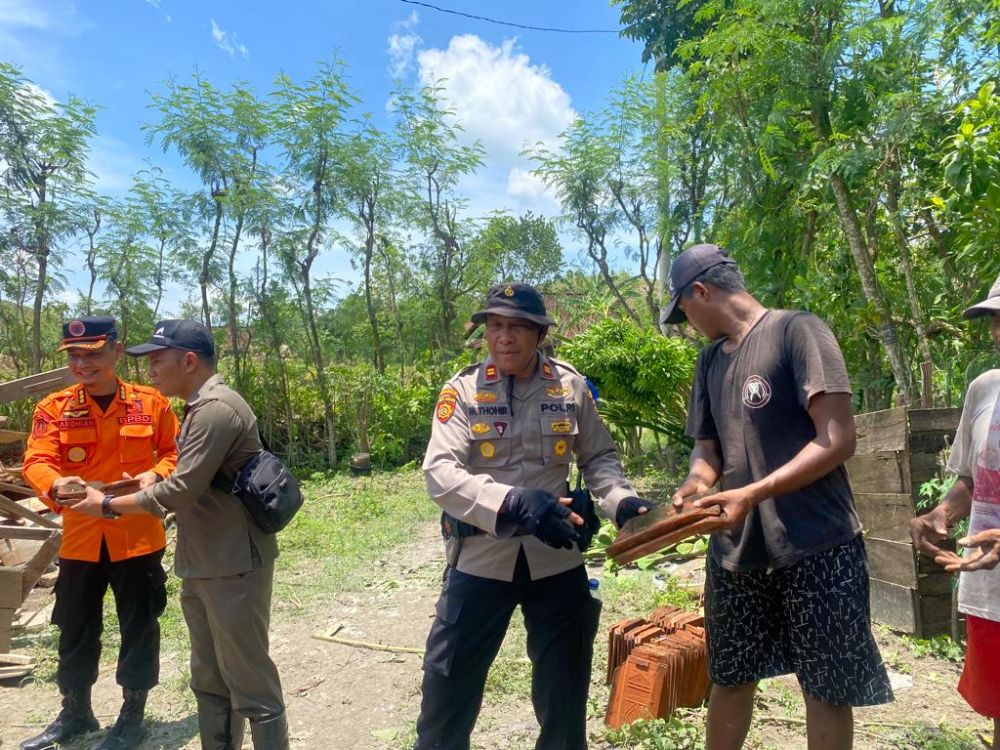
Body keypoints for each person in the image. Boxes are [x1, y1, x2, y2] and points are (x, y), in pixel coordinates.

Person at [665, 244, 893, 750]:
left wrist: (755, 491)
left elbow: (837, 439)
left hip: (818, 543)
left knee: (827, 688)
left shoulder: (797, 331)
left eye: (683, 308)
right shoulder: (709, 361)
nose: (685, 319)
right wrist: (696, 484)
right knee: (730, 675)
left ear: (700, 291)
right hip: (738, 548)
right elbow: (708, 448)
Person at [414, 283, 653, 750]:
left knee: (564, 697)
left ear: (539, 333)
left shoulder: (569, 385)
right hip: (480, 560)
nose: (505, 337)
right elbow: (439, 473)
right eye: (495, 326)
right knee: (447, 692)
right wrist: (511, 501)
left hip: (556, 559)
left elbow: (599, 458)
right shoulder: (462, 390)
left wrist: (621, 500)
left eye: (517, 327)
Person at [61, 319, 289, 750]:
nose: (150, 372)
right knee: (209, 675)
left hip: (232, 562)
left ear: (188, 361)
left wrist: (105, 505)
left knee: (248, 678)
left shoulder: (218, 408)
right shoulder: (199, 407)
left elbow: (181, 490)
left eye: (157, 361)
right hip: (205, 559)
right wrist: (150, 478)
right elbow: (187, 476)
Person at [21, 317, 179, 750]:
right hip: (81, 538)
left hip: (138, 535)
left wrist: (155, 473)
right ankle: (75, 711)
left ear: (116, 350)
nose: (82, 363)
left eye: (92, 353)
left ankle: (132, 714)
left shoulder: (152, 404)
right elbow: (36, 459)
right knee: (73, 626)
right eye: (74, 355)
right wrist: (54, 484)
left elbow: (174, 453)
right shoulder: (53, 408)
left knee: (139, 625)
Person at [910, 272, 1000, 748]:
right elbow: (971, 478)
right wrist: (942, 513)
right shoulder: (985, 390)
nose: (998, 333)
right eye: (995, 321)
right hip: (992, 590)